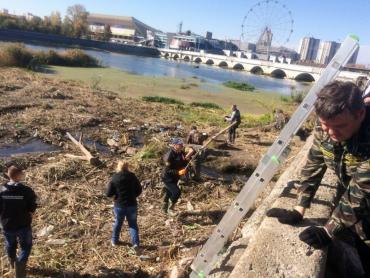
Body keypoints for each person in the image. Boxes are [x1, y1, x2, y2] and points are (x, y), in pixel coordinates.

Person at [267, 81, 370, 277]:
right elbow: (315, 162)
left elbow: (360, 193)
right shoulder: (327, 123)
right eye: (325, 125)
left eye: (339, 126)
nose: (331, 133)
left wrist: (328, 230)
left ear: (360, 114)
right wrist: (299, 208)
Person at [0, 166, 37, 278]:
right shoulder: (26, 190)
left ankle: (12, 263)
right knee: (26, 245)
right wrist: (30, 212)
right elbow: (32, 206)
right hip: (23, 224)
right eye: (22, 173)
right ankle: (20, 264)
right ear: (19, 175)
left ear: (8, 175)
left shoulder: (1, 189)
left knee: (10, 244)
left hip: (6, 224)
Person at [106, 160, 142, 249]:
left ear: (118, 167)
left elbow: (108, 193)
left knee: (118, 223)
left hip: (119, 205)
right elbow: (139, 189)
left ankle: (114, 241)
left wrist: (115, 196)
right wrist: (134, 195)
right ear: (127, 167)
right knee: (133, 224)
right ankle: (136, 243)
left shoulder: (115, 177)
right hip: (132, 204)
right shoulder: (132, 176)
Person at [161, 138, 194, 214]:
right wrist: (178, 172)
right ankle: (170, 209)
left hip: (175, 177)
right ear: (174, 145)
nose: (181, 145)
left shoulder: (181, 153)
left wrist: (188, 162)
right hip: (167, 177)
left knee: (169, 192)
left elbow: (183, 162)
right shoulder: (169, 155)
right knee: (177, 192)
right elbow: (168, 170)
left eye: (182, 144)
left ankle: (164, 208)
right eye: (179, 144)